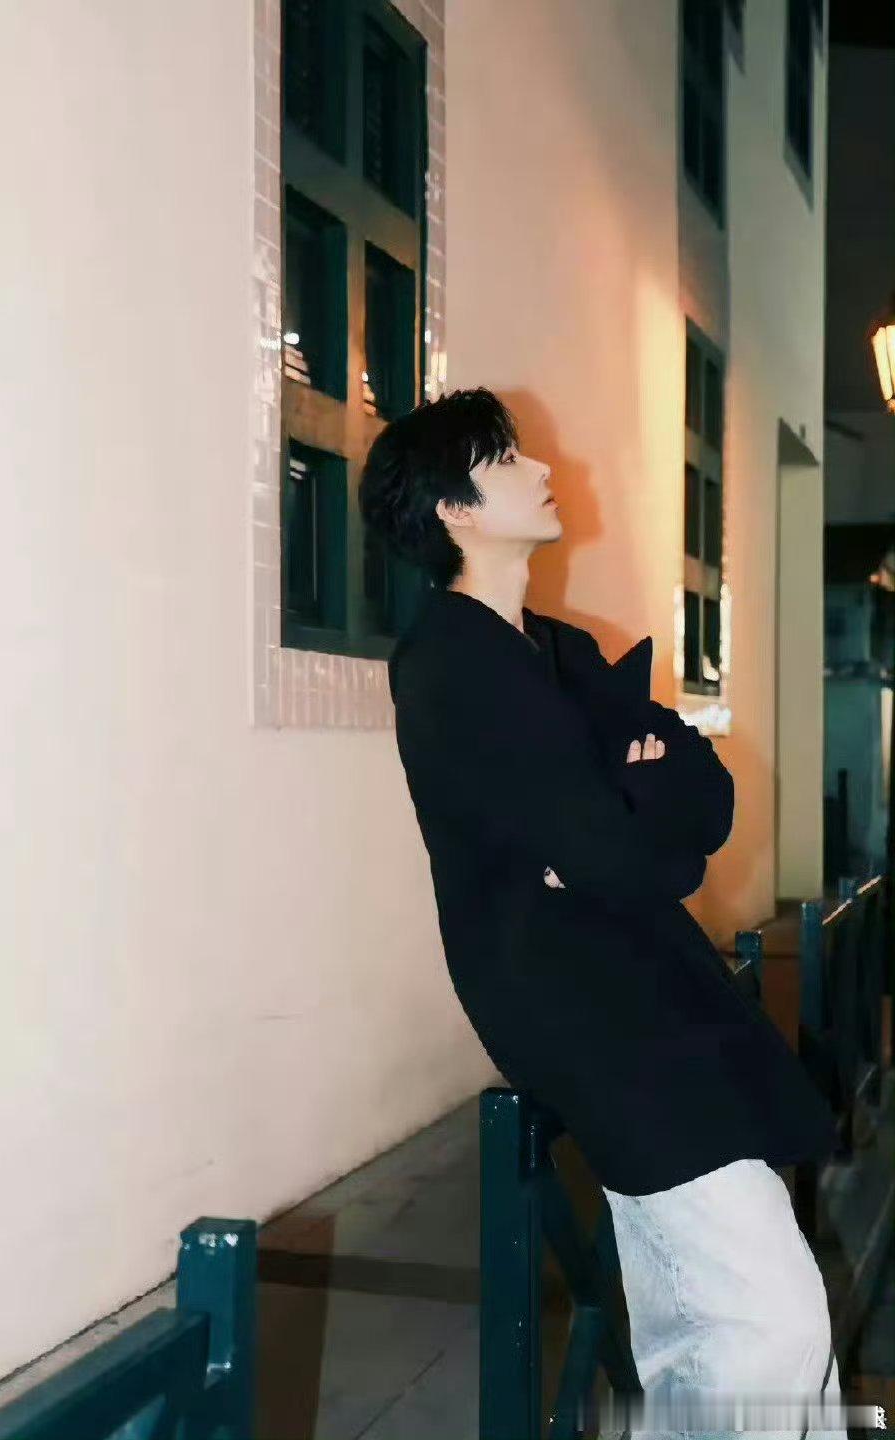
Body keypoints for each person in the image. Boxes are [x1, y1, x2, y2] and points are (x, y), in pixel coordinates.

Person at [359, 386, 848, 1439]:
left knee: (702, 1315)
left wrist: (625, 830)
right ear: (453, 509)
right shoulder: (448, 661)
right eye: (507, 459)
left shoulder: (562, 650)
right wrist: (627, 823)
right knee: (769, 1319)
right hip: (581, 1008)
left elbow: (703, 800)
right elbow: (607, 847)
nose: (543, 469)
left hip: (644, 986)